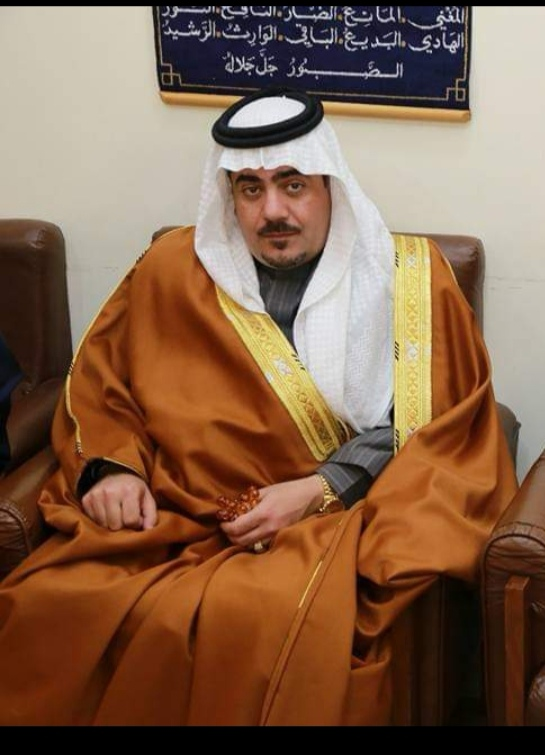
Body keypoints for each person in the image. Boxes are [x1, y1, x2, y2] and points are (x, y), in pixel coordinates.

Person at [0, 86, 517, 726]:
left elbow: (437, 420)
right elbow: (101, 385)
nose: (273, 211)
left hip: (332, 523)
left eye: (293, 184)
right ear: (229, 197)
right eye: (251, 189)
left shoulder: (409, 278)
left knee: (263, 622)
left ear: (329, 185)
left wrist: (317, 490)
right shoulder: (170, 270)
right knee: (52, 603)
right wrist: (112, 469)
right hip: (175, 509)